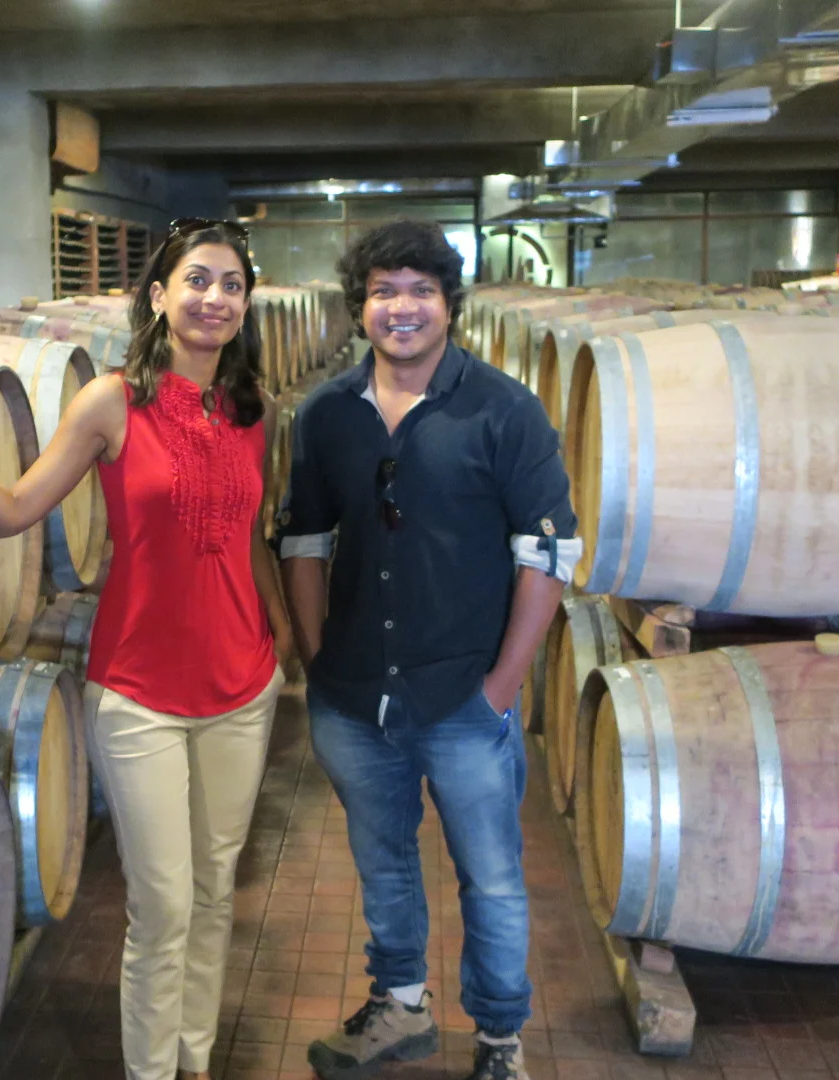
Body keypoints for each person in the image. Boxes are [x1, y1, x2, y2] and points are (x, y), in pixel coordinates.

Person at [0, 218, 296, 1080]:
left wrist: (287, 646)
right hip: (139, 689)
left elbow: (252, 541)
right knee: (160, 906)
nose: (215, 299)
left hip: (243, 682)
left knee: (213, 892)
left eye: (231, 284)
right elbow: (12, 510)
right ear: (159, 296)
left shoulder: (254, 409)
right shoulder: (112, 402)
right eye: (198, 280)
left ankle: (195, 1059)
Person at [276, 220, 579, 1080]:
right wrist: (315, 661)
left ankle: (499, 1041)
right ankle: (400, 1006)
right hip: (354, 699)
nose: (401, 307)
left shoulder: (503, 408)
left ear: (449, 304)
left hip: (460, 699)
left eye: (420, 290)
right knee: (384, 863)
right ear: (359, 306)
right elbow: (303, 541)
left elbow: (549, 555)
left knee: (491, 880)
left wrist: (500, 689)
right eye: (383, 290)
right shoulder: (328, 413)